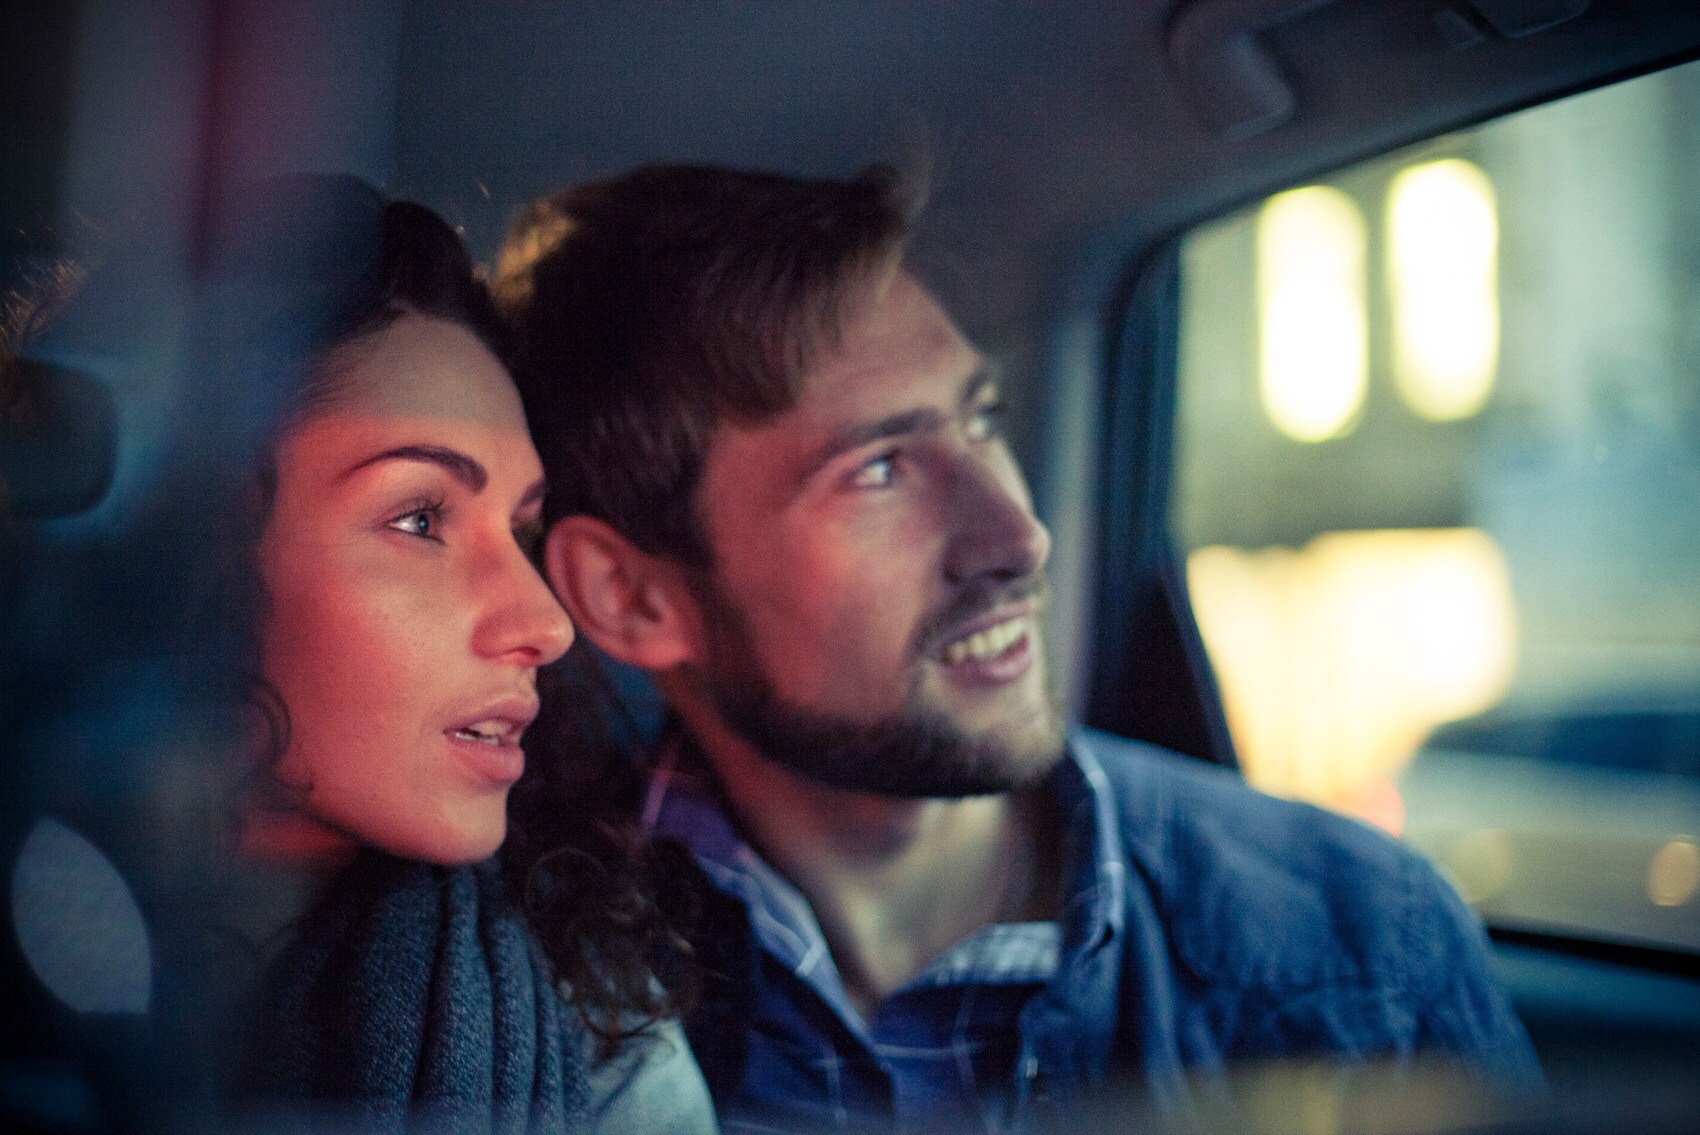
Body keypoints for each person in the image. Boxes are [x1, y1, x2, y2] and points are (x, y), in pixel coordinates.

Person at [495, 163, 1543, 1134]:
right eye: (878, 470)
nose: (1017, 537)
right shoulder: (519, 997)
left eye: (982, 419)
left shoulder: (1361, 946)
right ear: (632, 596)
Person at [136, 176, 712, 1134]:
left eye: (521, 533)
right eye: (419, 518)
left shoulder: (600, 1022)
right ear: (187, 552)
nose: (547, 623)